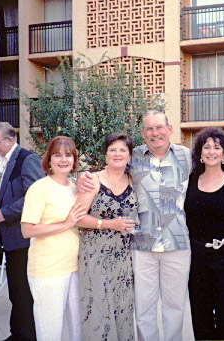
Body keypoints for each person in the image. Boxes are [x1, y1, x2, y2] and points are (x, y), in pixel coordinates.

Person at [78, 110, 224, 341]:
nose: (155, 133)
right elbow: (110, 171)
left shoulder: (187, 156)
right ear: (143, 133)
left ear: (169, 129)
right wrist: (83, 177)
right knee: (144, 311)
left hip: (177, 244)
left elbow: (214, 167)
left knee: (174, 309)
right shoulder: (133, 156)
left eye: (159, 127)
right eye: (149, 128)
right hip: (142, 245)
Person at [184, 128, 224, 340]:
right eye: (207, 147)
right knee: (200, 317)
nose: (211, 152)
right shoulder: (190, 180)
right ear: (200, 153)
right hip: (196, 260)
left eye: (217, 147)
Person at [21, 136, 87, 341]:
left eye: (68, 155)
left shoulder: (76, 188)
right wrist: (65, 225)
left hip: (74, 268)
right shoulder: (39, 188)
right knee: (50, 331)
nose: (63, 160)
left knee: (77, 329)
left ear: (74, 160)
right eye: (57, 155)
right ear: (49, 160)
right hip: (48, 271)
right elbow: (27, 230)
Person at [0, 122, 44, 341]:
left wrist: (6, 213)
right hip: (8, 238)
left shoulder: (28, 160)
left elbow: (35, 197)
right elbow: (2, 192)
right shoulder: (1, 163)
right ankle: (18, 333)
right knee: (16, 291)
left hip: (23, 238)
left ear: (10, 140)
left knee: (23, 292)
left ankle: (26, 336)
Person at [75, 133, 137, 340]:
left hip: (123, 258)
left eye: (122, 150)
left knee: (123, 309)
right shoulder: (92, 180)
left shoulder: (134, 180)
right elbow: (77, 218)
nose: (117, 154)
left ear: (129, 155)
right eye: (112, 150)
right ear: (105, 154)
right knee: (99, 311)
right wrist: (110, 224)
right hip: (95, 256)